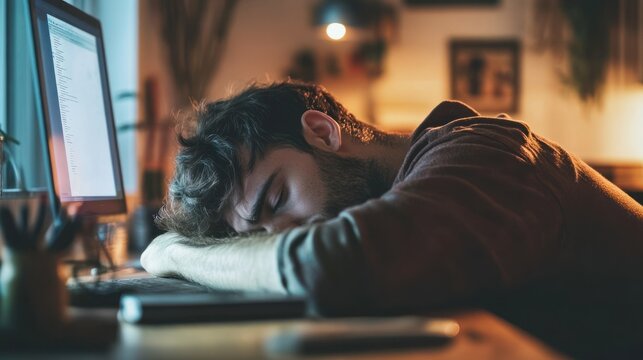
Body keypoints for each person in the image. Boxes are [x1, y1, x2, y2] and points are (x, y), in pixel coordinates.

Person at [141, 81, 643, 321]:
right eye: (255, 237)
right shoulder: (422, 183)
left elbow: (333, 262)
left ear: (321, 133)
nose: (282, 234)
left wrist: (174, 255)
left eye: (277, 198)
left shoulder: (487, 152)